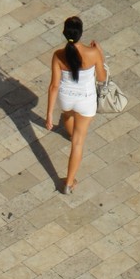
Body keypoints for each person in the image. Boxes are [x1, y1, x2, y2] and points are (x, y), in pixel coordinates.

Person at [46, 16, 105, 194]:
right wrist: (100, 53)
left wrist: (49, 115)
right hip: (86, 100)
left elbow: (54, 86)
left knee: (67, 115)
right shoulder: (92, 53)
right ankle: (68, 183)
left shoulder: (58, 55)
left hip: (66, 98)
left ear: (64, 33)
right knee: (78, 143)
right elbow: (102, 78)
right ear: (81, 34)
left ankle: (70, 133)